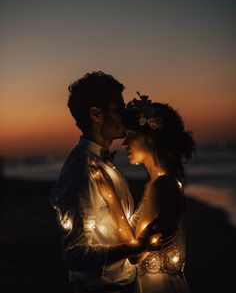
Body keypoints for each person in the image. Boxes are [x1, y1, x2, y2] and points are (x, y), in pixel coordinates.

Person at [50, 73, 172, 293]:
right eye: (118, 108)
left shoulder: (103, 164)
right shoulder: (81, 171)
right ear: (96, 114)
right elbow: (74, 256)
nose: (125, 116)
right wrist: (133, 248)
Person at [92, 93, 196, 293]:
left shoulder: (163, 185)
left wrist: (111, 197)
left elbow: (135, 255)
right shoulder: (160, 183)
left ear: (151, 137)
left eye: (131, 135)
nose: (124, 144)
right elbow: (140, 246)